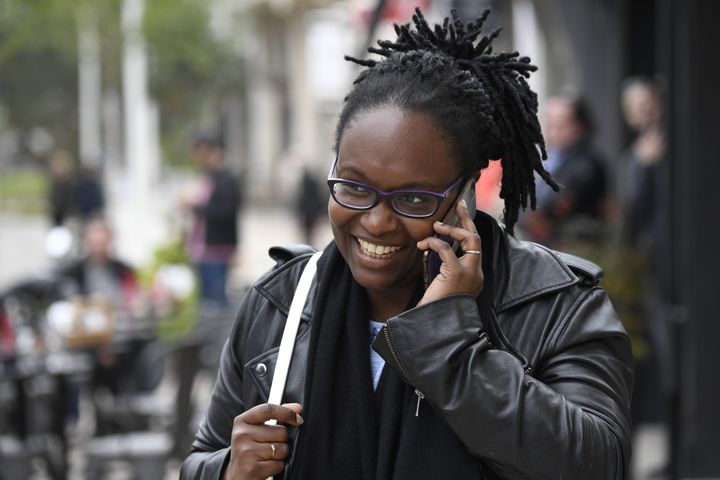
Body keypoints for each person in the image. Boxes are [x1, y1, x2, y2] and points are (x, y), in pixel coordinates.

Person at [181, 8, 633, 480]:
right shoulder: (281, 301)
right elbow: (200, 457)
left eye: (413, 198)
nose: (376, 222)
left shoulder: (556, 304)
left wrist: (447, 341)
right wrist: (228, 469)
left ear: (465, 191)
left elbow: (599, 465)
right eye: (354, 187)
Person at [521, 95, 608, 247]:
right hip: (544, 245)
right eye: (550, 124)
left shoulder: (586, 164)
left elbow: (557, 205)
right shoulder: (549, 159)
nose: (553, 131)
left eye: (561, 124)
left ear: (580, 126)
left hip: (574, 248)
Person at [182, 134, 242, 308]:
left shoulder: (226, 180)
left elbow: (225, 210)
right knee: (206, 302)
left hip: (217, 248)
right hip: (201, 248)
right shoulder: (208, 178)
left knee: (216, 302)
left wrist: (194, 206)